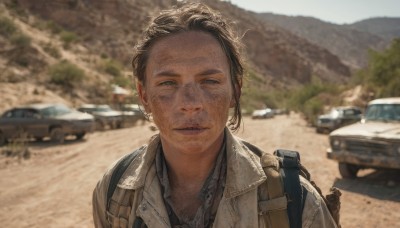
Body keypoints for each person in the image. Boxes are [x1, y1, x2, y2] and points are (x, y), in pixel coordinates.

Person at [92, 3, 338, 228]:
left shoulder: (294, 201)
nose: (190, 104)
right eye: (168, 83)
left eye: (209, 81)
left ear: (235, 91)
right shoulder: (114, 190)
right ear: (144, 95)